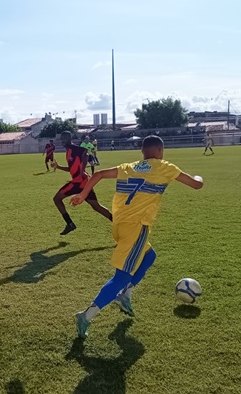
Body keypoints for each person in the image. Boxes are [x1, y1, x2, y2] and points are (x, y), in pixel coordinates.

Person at [70, 135, 203, 339]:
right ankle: (86, 315)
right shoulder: (165, 167)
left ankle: (126, 294)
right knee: (120, 277)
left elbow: (98, 175)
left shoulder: (129, 167)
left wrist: (82, 195)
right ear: (160, 151)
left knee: (149, 257)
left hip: (120, 225)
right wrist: (199, 177)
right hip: (136, 228)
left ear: (142, 152)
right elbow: (195, 185)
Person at [51, 131, 112, 236]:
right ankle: (118, 222)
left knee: (57, 199)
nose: (62, 140)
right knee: (96, 206)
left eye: (65, 138)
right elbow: (71, 169)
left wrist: (82, 170)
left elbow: (85, 153)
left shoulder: (73, 148)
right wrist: (58, 167)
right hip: (82, 182)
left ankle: (70, 224)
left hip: (78, 182)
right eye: (61, 138)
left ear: (70, 139)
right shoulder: (68, 152)